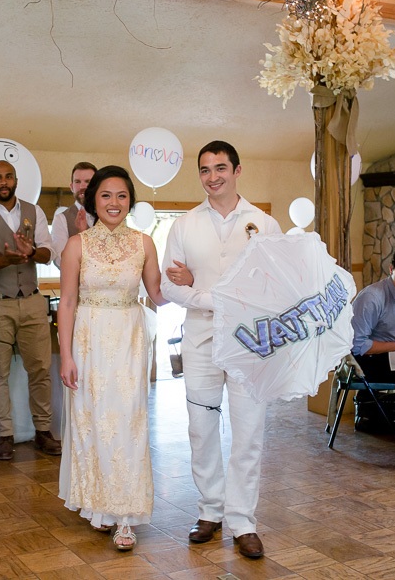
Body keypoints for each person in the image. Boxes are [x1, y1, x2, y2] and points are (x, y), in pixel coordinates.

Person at [161, 141, 282, 559]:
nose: (213, 177)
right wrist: (212, 297)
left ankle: (244, 521)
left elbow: (276, 285)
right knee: (200, 427)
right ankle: (210, 510)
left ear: (237, 170)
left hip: (251, 345)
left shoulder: (264, 224)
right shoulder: (184, 225)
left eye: (221, 168)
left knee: (249, 432)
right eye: (205, 170)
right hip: (200, 341)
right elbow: (169, 285)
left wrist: (201, 286)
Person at [57, 166, 166, 551]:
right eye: (106, 195)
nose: (114, 203)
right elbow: (66, 302)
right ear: (93, 200)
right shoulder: (77, 245)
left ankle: (125, 516)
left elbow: (157, 294)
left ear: (130, 201)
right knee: (91, 420)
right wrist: (66, 354)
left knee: (128, 421)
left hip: (128, 338)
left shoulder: (144, 244)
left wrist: (183, 280)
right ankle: (100, 506)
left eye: (121, 195)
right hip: (87, 340)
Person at [0, 159, 61, 461]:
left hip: (33, 300)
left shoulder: (34, 212)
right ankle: (4, 435)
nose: (3, 182)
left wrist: (30, 252)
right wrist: (6, 260)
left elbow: (48, 254)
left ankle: (43, 432)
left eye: (8, 177)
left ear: (16, 180)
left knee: (41, 370)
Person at [350, 246, 395, 383]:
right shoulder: (371, 298)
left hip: (391, 356)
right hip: (364, 360)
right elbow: (357, 345)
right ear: (391, 270)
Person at [51, 162, 96, 267]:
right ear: (71, 187)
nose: (82, 186)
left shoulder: (107, 215)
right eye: (77, 181)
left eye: (88, 181)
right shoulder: (61, 219)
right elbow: (60, 261)